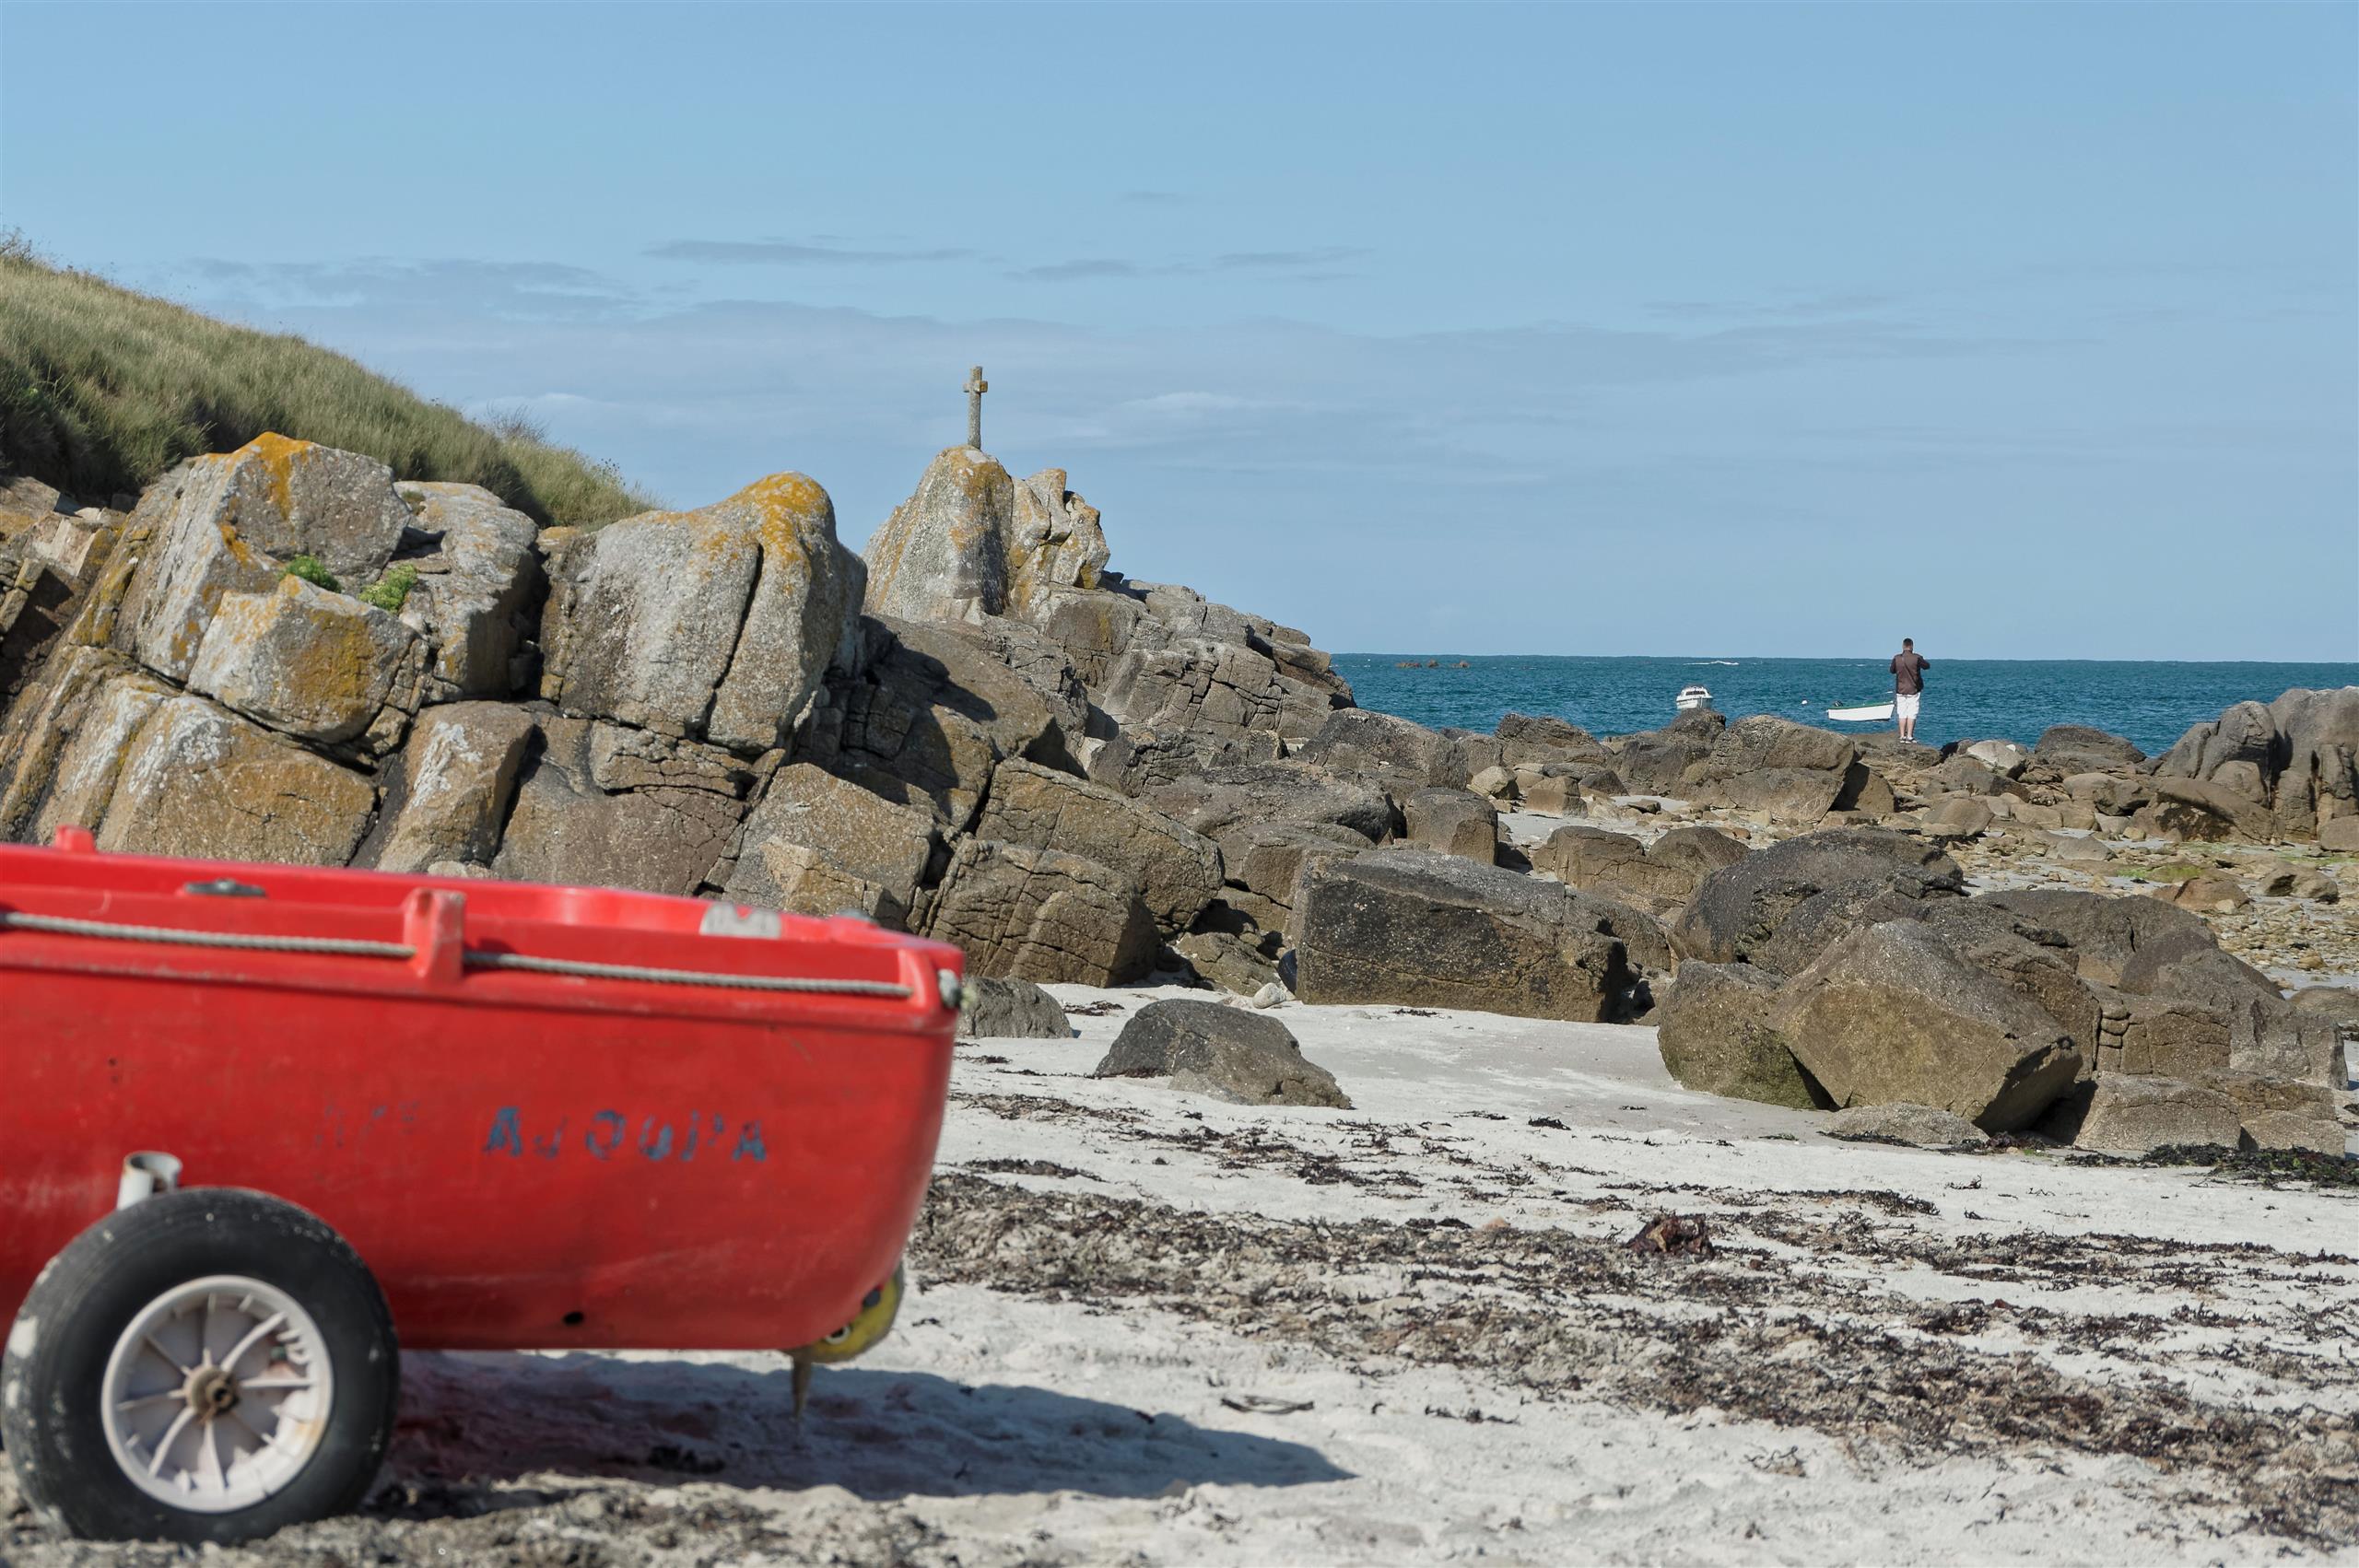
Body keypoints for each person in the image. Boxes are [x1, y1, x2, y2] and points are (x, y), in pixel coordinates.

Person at [1890, 638, 1929, 742]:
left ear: (1903, 646)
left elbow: (1892, 670)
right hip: (1913, 690)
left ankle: (1902, 736)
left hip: (1900, 690)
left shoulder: (1897, 658)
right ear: (1911, 646)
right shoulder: (1917, 658)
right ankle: (1910, 736)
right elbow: (1927, 666)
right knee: (1912, 713)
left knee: (1902, 713)